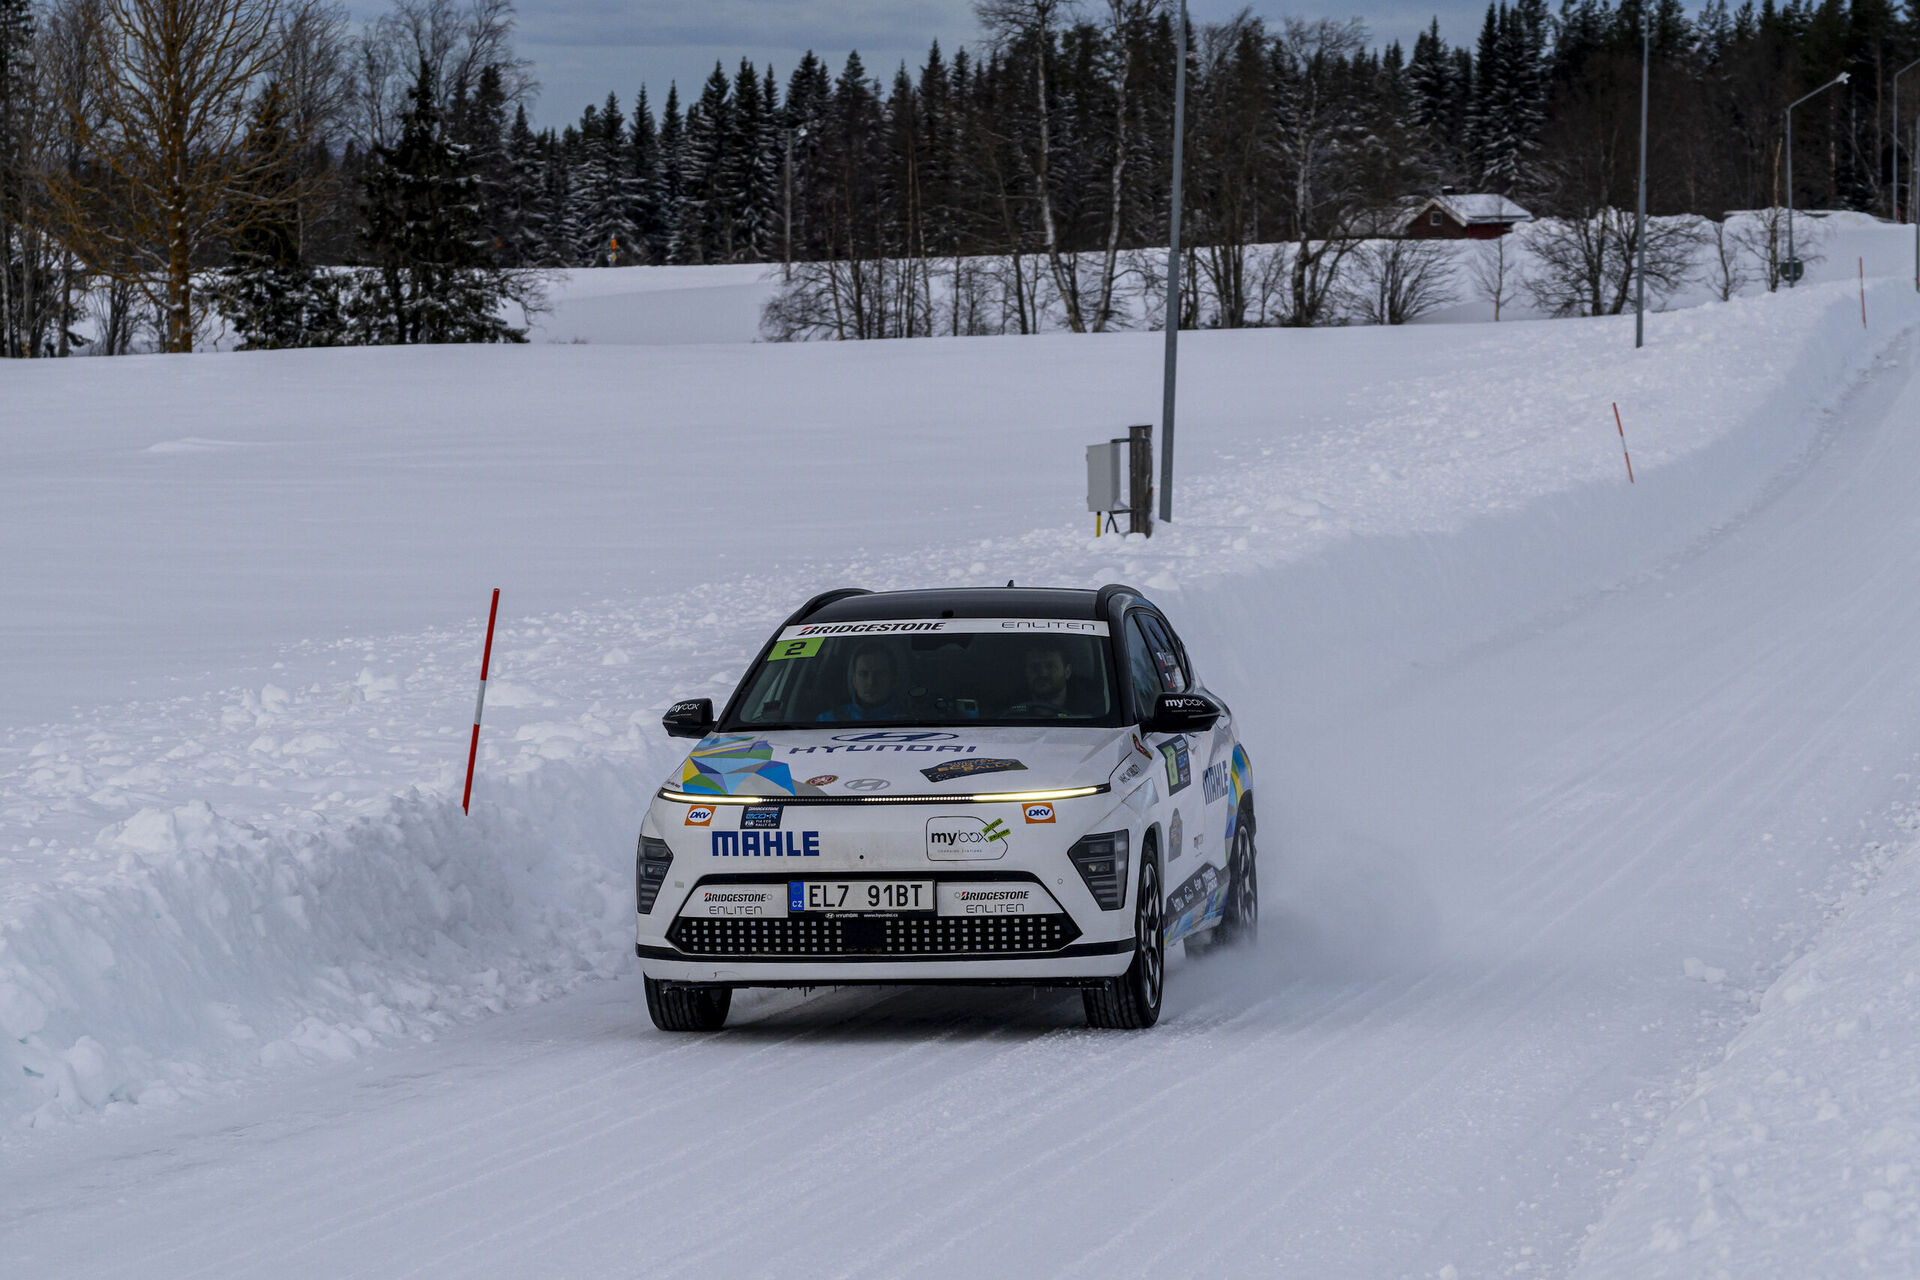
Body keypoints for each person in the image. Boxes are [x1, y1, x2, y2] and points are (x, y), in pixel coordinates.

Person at [819, 642, 905, 721]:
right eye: (863, 674)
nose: (871, 682)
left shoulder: (910, 718)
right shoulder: (826, 720)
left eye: (879, 674)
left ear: (893, 679)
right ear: (854, 680)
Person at [1007, 641, 1075, 716]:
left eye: (1050, 666)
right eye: (1034, 667)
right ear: (1025, 672)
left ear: (1067, 672)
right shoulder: (1009, 707)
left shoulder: (1086, 705)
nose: (1043, 673)